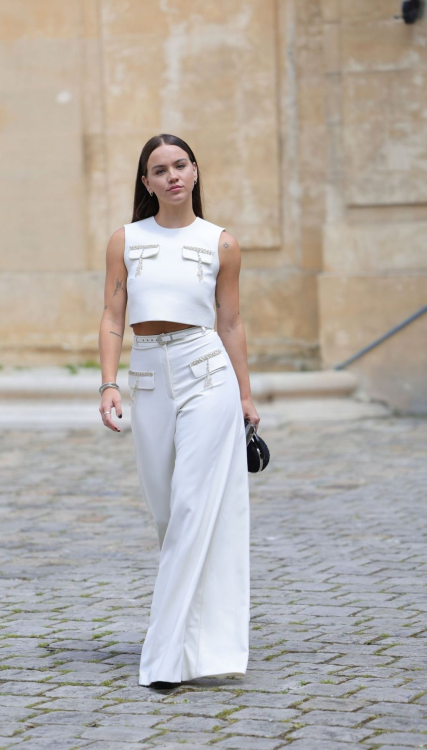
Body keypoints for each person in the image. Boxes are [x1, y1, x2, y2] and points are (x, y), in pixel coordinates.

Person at [98, 133, 260, 689]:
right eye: (159, 169)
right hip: (146, 378)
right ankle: (201, 644)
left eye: (181, 165)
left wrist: (243, 394)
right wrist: (108, 384)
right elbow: (112, 317)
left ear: (194, 171)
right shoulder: (126, 240)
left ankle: (163, 661)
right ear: (146, 182)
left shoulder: (222, 243)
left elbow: (231, 323)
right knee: (170, 517)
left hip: (206, 373)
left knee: (194, 508)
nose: (172, 176)